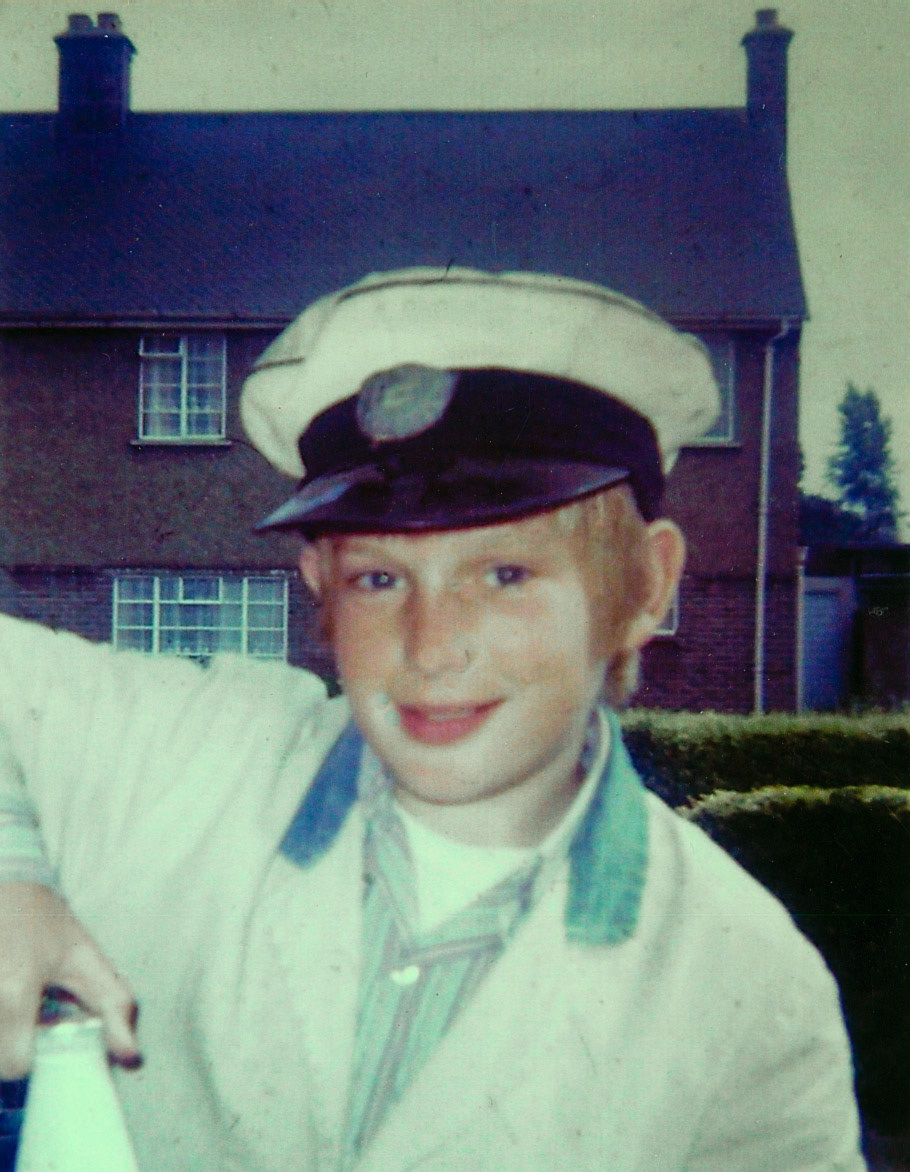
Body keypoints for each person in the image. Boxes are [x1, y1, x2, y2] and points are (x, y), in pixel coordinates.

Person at [0, 268, 864, 1169]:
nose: (432, 645)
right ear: (321, 593)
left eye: (505, 575)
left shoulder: (749, 984)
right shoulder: (201, 759)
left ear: (644, 587)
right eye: (379, 579)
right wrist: (11, 870)